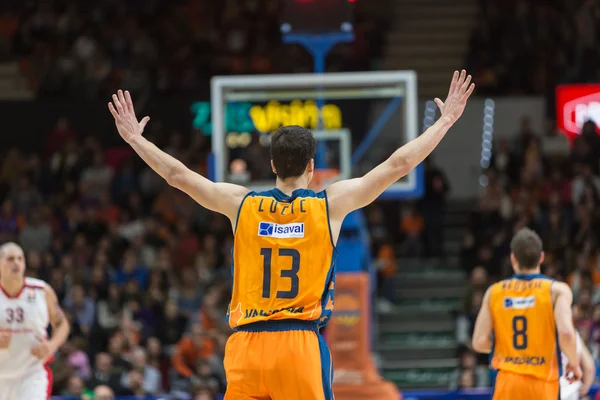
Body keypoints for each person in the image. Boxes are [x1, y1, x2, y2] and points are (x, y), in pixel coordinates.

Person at [108, 70, 475, 400]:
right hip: (298, 344)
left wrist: (135, 140)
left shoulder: (241, 204)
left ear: (271, 165)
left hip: (246, 346)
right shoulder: (328, 205)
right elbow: (399, 164)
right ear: (312, 166)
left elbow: (178, 176)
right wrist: (444, 122)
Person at [472, 228, 582, 399]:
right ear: (542, 257)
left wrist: (507, 351)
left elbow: (479, 342)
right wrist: (574, 364)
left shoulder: (494, 292)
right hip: (543, 383)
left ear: (512, 258)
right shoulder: (557, 291)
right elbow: (566, 334)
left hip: (507, 383)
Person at [0, 242, 70, 400]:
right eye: (10, 259)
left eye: (20, 258)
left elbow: (62, 324)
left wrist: (52, 345)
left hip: (31, 373)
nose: (16, 263)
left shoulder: (41, 291)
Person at [560, 332, 595, 400]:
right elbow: (589, 367)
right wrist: (585, 387)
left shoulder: (541, 333)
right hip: (571, 389)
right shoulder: (574, 334)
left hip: (547, 389)